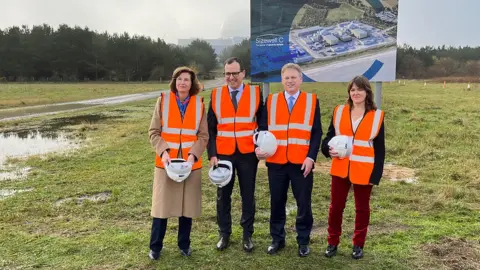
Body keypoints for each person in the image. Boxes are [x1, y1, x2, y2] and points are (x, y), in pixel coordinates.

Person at [256, 63, 322, 257]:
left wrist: (311, 157)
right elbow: (261, 129)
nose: (290, 81)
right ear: (281, 80)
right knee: (277, 202)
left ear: (301, 79)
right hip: (276, 163)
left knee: (303, 203)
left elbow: (316, 132)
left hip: (302, 163)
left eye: (294, 77)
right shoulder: (271, 101)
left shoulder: (312, 101)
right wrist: (258, 148)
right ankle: (277, 239)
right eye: (287, 78)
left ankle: (303, 241)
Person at [147, 66, 208, 260]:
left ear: (192, 83)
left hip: (190, 164)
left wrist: (193, 156)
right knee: (161, 208)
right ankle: (155, 247)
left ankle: (184, 244)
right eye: (180, 79)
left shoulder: (200, 104)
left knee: (186, 207)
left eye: (187, 79)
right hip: (166, 163)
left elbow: (203, 135)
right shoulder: (163, 101)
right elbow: (154, 132)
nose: (183, 82)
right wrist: (164, 153)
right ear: (174, 82)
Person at [321, 75, 385, 260]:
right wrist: (327, 149)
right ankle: (332, 242)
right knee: (336, 207)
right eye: (352, 90)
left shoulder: (377, 116)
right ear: (349, 92)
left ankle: (358, 244)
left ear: (367, 92)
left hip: (364, 170)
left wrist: (376, 175)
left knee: (362, 209)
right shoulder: (339, 111)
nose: (356, 93)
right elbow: (328, 138)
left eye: (360, 89)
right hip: (340, 168)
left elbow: (380, 148)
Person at [207, 57, 263, 252]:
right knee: (223, 196)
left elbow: (262, 124)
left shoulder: (256, 93)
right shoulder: (215, 94)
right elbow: (210, 129)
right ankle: (224, 234)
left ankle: (247, 234)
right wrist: (212, 154)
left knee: (248, 195)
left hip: (248, 153)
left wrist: (262, 145)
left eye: (235, 73)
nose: (231, 77)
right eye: (227, 73)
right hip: (223, 154)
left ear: (243, 73)